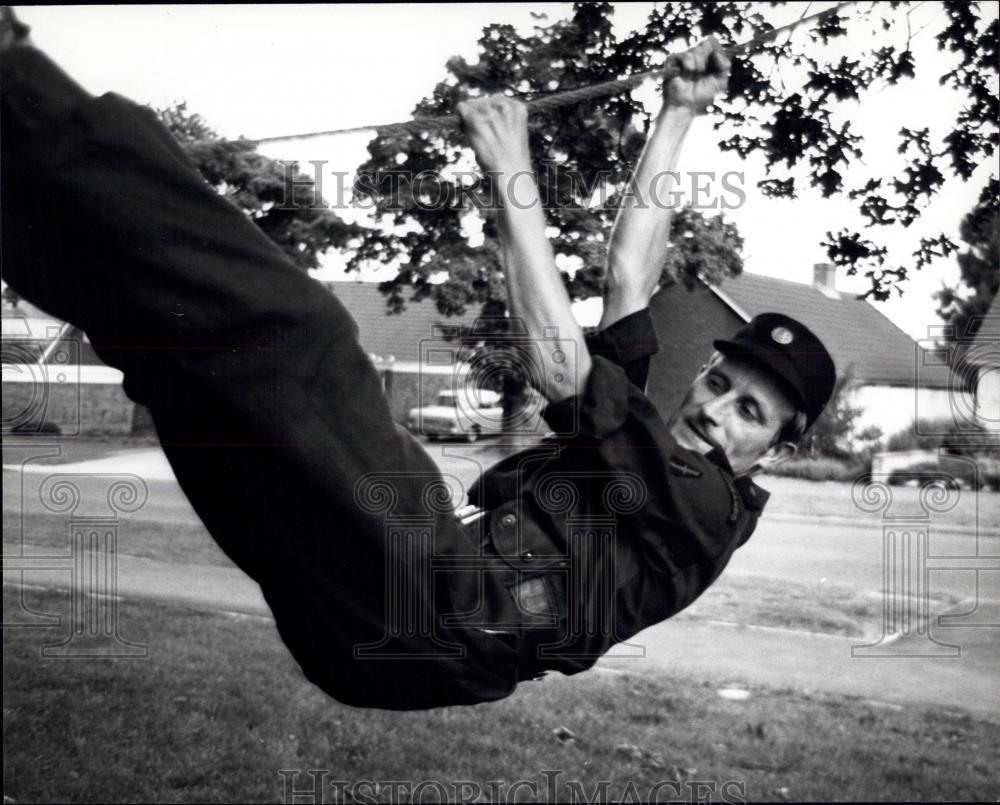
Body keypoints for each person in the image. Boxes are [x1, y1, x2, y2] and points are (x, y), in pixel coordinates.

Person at [2, 16, 835, 711]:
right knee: (178, 358)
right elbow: (630, 276)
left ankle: (16, 76)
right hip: (367, 631)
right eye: (720, 382)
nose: (716, 410)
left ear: (781, 447)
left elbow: (558, 368)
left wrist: (511, 165)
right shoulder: (656, 450)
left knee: (297, 334)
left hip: (442, 609)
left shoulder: (704, 507)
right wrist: (680, 112)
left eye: (750, 413)